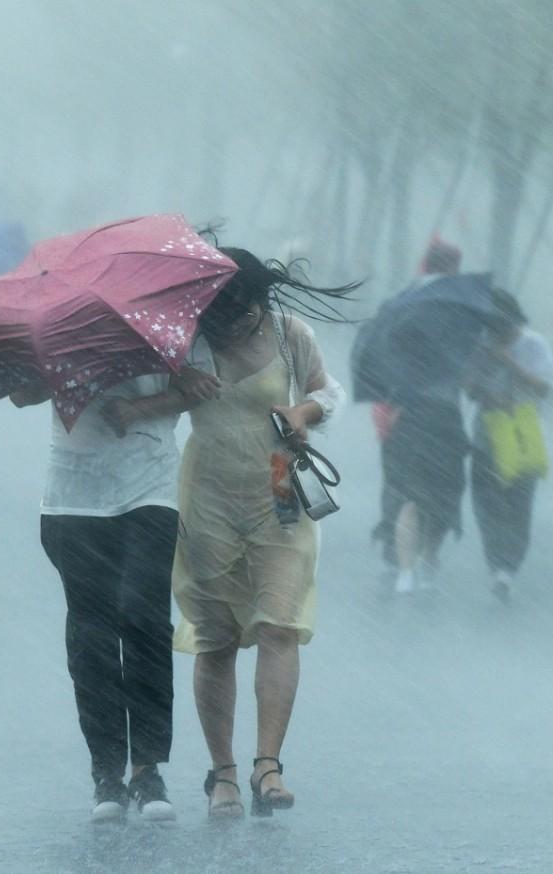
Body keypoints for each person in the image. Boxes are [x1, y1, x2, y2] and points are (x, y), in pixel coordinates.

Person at [125, 249, 352, 820]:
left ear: (260, 300)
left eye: (244, 312)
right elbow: (153, 408)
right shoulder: (186, 343)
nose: (235, 324)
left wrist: (304, 413)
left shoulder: (287, 333)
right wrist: (178, 392)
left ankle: (267, 765)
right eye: (221, 315)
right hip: (208, 498)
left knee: (280, 624)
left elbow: (329, 392)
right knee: (216, 637)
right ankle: (222, 772)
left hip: (278, 488)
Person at [12, 364, 214, 825]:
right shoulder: (59, 316)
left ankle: (147, 769)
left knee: (144, 620)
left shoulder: (168, 310)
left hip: (151, 486)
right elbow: (23, 394)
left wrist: (142, 406)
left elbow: (199, 388)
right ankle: (106, 772)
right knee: (91, 633)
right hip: (73, 493)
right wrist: (57, 370)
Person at [375, 236, 470, 594]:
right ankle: (427, 558)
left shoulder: (400, 305)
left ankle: (404, 567)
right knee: (444, 490)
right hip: (444, 413)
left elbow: (383, 358)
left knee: (407, 492)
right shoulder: (462, 310)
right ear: (453, 268)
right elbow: (468, 366)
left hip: (404, 414)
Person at [464, 290, 553, 603]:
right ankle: (496, 564)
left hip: (523, 434)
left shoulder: (534, 344)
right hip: (486, 433)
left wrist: (510, 362)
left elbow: (545, 388)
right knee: (487, 503)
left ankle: (509, 566)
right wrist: (485, 381)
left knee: (519, 505)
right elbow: (471, 388)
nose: (496, 331)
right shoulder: (479, 344)